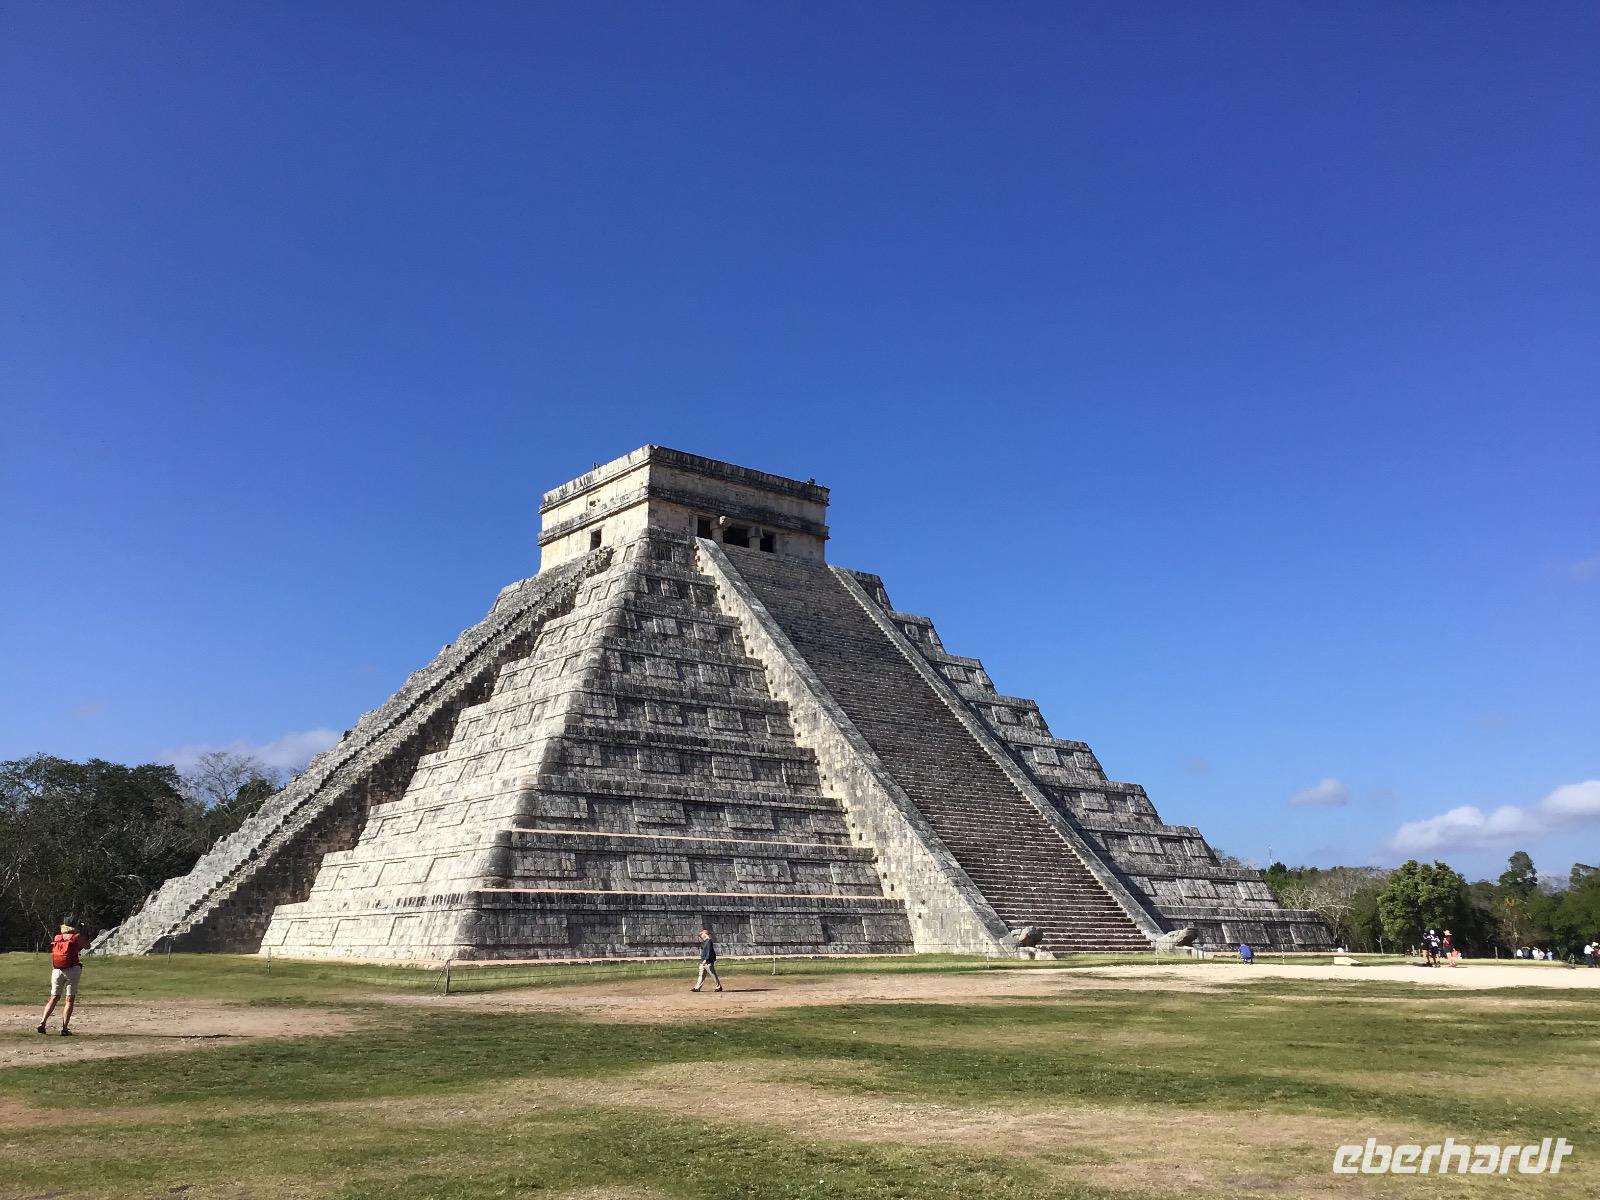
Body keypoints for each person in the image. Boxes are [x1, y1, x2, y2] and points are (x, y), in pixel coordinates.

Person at [38, 923, 84, 1036]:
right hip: (72, 969)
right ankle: (64, 1028)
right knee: (69, 999)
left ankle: (42, 1022)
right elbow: (87, 945)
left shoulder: (57, 937)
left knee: (54, 997)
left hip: (57, 970)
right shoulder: (76, 937)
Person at [691, 926, 722, 993]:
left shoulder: (709, 941)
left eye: (701, 935)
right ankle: (697, 987)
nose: (701, 937)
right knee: (701, 975)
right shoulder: (705, 942)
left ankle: (718, 986)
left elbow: (709, 951)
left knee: (712, 974)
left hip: (707, 961)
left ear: (704, 934)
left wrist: (706, 959)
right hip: (703, 961)